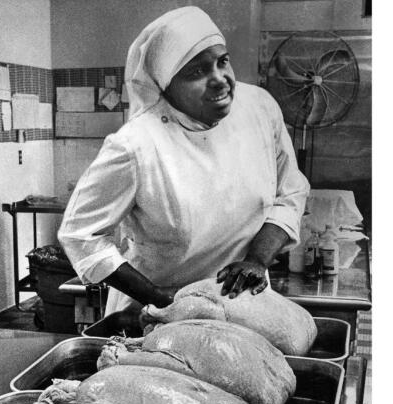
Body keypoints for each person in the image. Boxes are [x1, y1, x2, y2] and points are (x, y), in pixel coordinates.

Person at [57, 5, 310, 316]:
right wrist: (158, 297)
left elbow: (291, 191)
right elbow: (80, 234)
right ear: (165, 86)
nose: (219, 80)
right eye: (196, 72)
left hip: (241, 303)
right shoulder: (137, 145)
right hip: (155, 310)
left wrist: (257, 259)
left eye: (222, 62)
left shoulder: (259, 109)